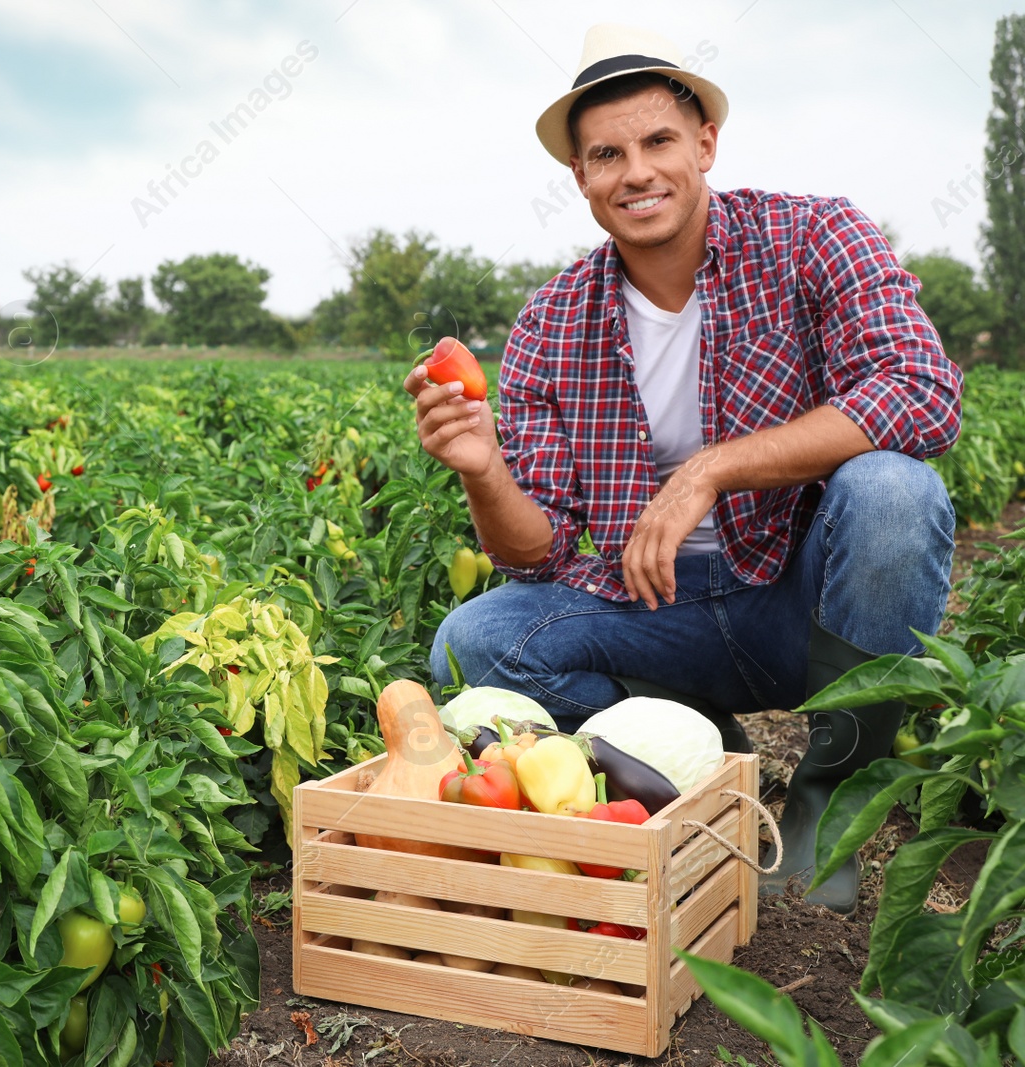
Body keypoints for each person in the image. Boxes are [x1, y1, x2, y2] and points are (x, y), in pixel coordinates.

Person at [410, 24, 961, 916]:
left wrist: (710, 470)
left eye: (659, 141)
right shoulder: (554, 320)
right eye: (607, 154)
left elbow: (922, 391)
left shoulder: (813, 235)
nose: (638, 172)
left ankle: (833, 791)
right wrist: (482, 468)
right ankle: (698, 739)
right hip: (658, 611)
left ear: (705, 142)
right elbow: (535, 555)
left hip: (800, 594)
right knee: (474, 641)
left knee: (894, 491)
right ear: (581, 177)